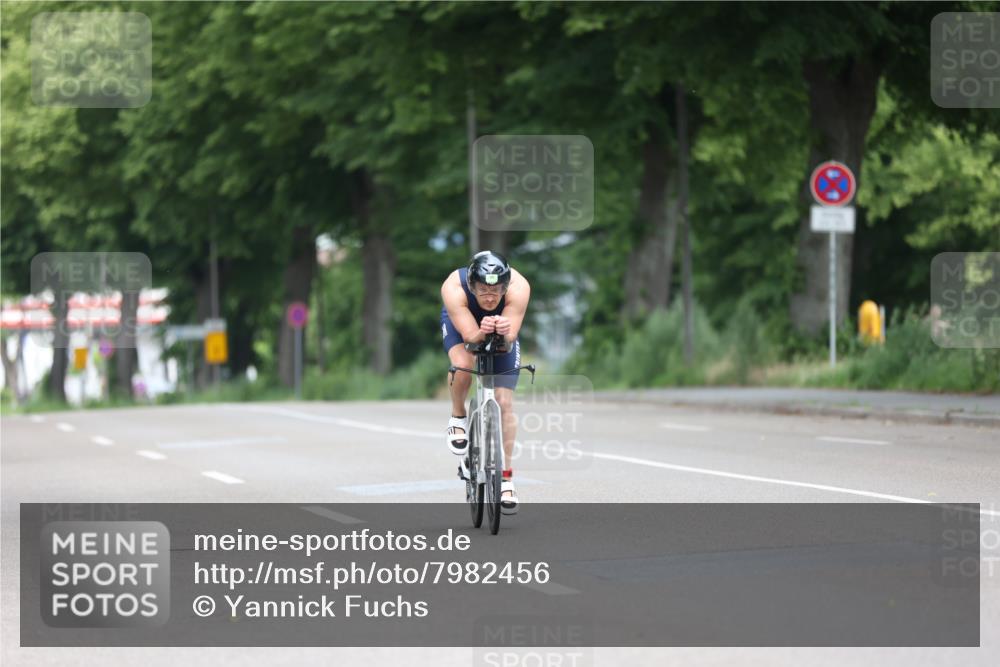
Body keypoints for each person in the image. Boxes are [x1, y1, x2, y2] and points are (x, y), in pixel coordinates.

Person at [440, 250, 530, 515]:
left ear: (506, 285)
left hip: (502, 329)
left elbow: (509, 340)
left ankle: (506, 479)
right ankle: (458, 417)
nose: (490, 297)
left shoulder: (519, 287)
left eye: (496, 290)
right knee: (464, 364)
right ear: (472, 285)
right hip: (464, 324)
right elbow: (470, 338)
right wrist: (482, 331)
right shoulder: (454, 287)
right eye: (483, 290)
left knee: (504, 402)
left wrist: (503, 332)